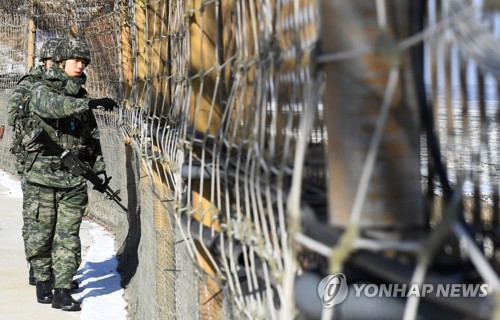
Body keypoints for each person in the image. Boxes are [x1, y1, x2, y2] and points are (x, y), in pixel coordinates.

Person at [23, 38, 118, 311]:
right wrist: (88, 104)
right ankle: (42, 279)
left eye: (84, 62)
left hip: (73, 178)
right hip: (41, 176)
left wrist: (98, 170)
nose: (80, 66)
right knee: (41, 234)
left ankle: (62, 290)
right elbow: (52, 106)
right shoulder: (39, 88)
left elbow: (92, 138)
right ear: (61, 61)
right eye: (76, 60)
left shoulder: (83, 97)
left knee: (68, 235)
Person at [7, 37, 66, 286]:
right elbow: (13, 116)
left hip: (59, 162)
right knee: (36, 218)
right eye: (57, 61)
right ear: (46, 60)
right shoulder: (29, 84)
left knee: (59, 220)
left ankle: (56, 268)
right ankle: (36, 265)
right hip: (32, 160)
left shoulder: (64, 86)